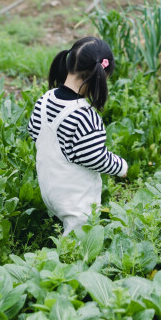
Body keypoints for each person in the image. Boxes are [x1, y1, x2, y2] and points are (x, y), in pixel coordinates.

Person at [27, 36, 129, 236]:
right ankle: (65, 260)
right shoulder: (84, 115)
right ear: (100, 76)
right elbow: (95, 157)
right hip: (74, 198)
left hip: (49, 188)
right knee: (80, 241)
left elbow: (33, 131)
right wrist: (120, 166)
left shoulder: (45, 99)